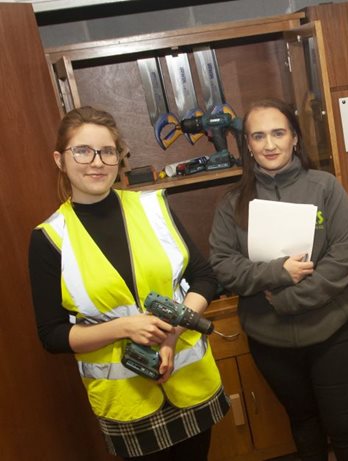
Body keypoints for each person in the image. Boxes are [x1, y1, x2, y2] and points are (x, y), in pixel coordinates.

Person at [28, 106, 229, 460]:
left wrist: (171, 336)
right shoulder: (49, 239)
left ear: (119, 158)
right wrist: (123, 327)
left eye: (107, 151)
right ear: (60, 159)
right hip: (126, 401)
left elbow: (204, 277)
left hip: (190, 380)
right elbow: (53, 335)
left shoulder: (153, 207)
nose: (97, 162)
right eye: (83, 151)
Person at [209, 98, 348, 461]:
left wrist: (286, 299)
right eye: (258, 136)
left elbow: (346, 255)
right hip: (271, 340)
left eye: (278, 133)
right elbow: (223, 265)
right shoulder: (232, 203)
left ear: (294, 138)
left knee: (345, 426)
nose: (269, 145)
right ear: (247, 145)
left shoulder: (325, 188)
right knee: (304, 423)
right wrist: (276, 271)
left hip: (333, 332)